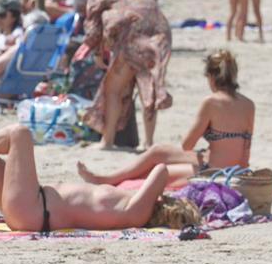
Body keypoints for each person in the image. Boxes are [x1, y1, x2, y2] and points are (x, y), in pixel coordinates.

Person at [0, 125, 200, 232]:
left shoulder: (137, 212)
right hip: (31, 205)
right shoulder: (133, 211)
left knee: (20, 134)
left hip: (34, 210)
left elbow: (161, 170)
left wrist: (159, 192)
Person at [78, 50, 253, 187]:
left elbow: (187, 145)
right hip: (235, 169)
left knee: (158, 170)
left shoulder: (212, 102)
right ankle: (108, 179)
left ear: (213, 77)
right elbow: (246, 151)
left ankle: (107, 180)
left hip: (213, 171)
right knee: (158, 151)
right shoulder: (248, 104)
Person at [80, 0, 173, 150]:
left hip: (130, 37)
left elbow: (92, 31)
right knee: (148, 86)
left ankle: (107, 141)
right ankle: (149, 143)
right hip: (160, 34)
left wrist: (98, 55)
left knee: (113, 89)